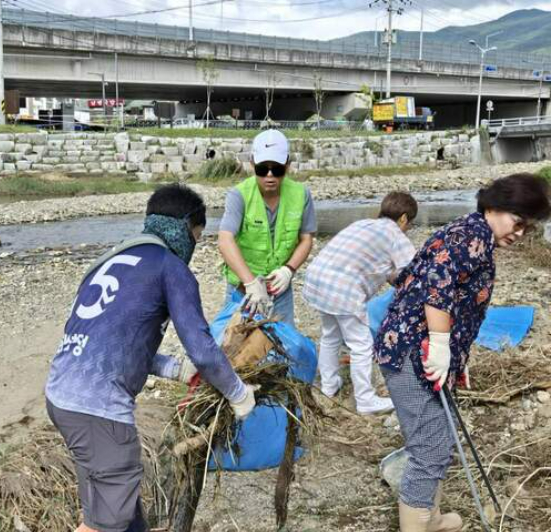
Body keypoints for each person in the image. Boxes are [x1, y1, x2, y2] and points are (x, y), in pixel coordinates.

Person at [45, 183, 256, 532]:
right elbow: (203, 349)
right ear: (185, 227)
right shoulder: (171, 268)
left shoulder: (112, 260)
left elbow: (114, 341)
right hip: (99, 411)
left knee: (117, 512)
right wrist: (238, 393)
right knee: (104, 523)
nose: (194, 245)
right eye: (197, 236)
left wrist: (173, 368)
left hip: (62, 398)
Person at [374, 174, 550, 532]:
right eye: (517, 223)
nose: (518, 234)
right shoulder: (468, 236)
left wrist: (455, 360)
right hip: (410, 352)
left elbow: (446, 295)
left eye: (526, 229)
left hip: (423, 352)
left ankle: (431, 518)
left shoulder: (478, 237)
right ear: (495, 206)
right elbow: (436, 292)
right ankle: (418, 525)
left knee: (439, 435)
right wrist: (439, 347)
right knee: (430, 447)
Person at [303, 192, 418, 415]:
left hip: (318, 279)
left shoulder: (363, 224)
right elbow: (415, 270)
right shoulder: (395, 235)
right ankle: (365, 399)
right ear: (403, 218)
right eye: (409, 224)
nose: (408, 228)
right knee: (361, 344)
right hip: (342, 289)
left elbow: (375, 265)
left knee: (330, 335)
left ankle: (329, 386)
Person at [218, 129, 316, 326]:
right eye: (263, 169)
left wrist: (288, 270)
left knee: (283, 346)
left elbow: (306, 239)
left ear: (287, 165)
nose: (270, 176)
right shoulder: (239, 195)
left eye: (277, 169)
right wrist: (251, 283)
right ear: (253, 164)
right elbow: (225, 239)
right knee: (234, 346)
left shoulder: (301, 194)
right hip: (243, 287)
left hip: (279, 287)